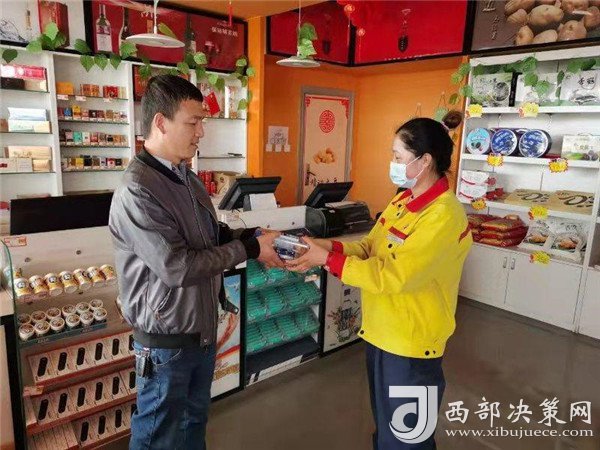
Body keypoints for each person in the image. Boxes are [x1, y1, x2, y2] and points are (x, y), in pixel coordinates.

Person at [109, 75, 284, 450]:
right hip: (165, 342)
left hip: (200, 331)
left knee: (193, 425)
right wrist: (250, 250)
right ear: (161, 122)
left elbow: (210, 234)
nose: (201, 132)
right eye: (193, 122)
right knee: (157, 436)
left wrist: (251, 236)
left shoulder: (185, 176)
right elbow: (178, 267)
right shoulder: (137, 189)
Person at [286, 112, 472, 449]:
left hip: (412, 344)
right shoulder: (403, 201)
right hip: (381, 334)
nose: (393, 163)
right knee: (387, 431)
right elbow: (369, 248)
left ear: (425, 161)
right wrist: (323, 247)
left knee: (408, 437)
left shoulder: (443, 215)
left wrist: (326, 260)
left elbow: (393, 276)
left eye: (398, 157)